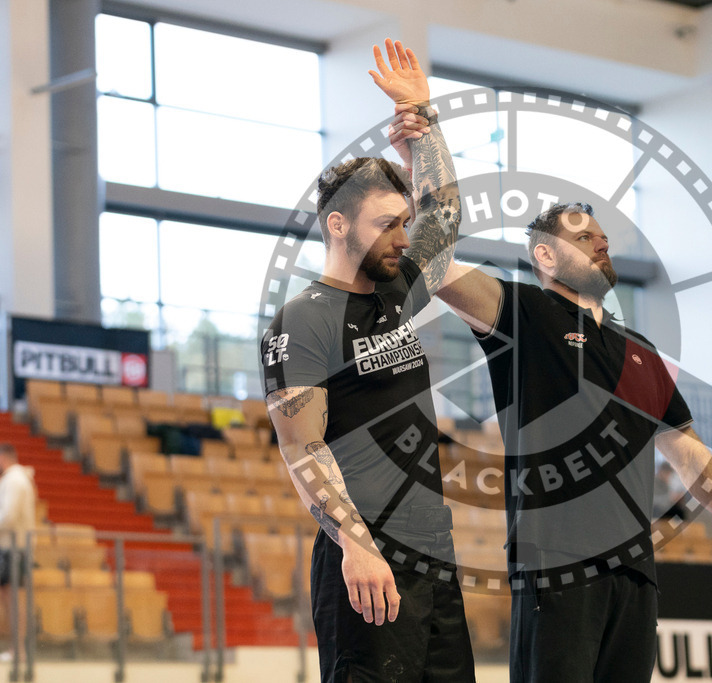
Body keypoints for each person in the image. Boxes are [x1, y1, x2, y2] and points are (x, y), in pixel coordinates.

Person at [377, 128, 712, 680]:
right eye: (583, 236)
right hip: (555, 567)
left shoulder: (639, 351)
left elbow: (689, 456)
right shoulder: (519, 312)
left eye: (602, 235)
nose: (601, 242)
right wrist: (424, 150)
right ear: (544, 254)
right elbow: (433, 262)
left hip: (636, 573)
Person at [261, 39, 474, 683]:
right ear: (337, 225)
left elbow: (446, 217)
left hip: (431, 549)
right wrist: (355, 545)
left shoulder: (394, 291)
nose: (403, 238)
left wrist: (426, 121)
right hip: (366, 554)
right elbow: (303, 449)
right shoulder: (304, 318)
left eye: (402, 222)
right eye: (386, 224)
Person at [0, 443, 36, 660]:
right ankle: (16, 649)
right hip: (9, 546)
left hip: (13, 548)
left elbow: (8, 516)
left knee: (12, 599)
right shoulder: (13, 479)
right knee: (9, 598)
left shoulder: (15, 480)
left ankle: (18, 650)